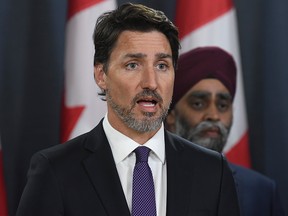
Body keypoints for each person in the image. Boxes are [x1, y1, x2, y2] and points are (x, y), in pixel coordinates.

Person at [16, 4, 240, 216]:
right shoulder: (56, 170)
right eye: (133, 65)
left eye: (162, 66)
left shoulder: (213, 171)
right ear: (101, 75)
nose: (151, 82)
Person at [166, 46, 286, 216]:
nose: (214, 115)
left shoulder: (261, 192)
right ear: (171, 114)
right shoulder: (145, 179)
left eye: (222, 106)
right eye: (198, 104)